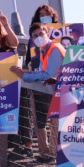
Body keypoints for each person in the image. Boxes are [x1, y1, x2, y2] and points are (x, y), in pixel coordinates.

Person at [11, 22, 65, 158]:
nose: (39, 37)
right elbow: (41, 72)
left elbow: (49, 74)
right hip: (48, 90)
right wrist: (24, 71)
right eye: (35, 36)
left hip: (59, 91)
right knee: (41, 123)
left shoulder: (55, 48)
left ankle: (52, 154)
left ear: (47, 34)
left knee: (54, 123)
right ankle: (45, 154)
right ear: (33, 40)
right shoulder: (43, 50)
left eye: (41, 33)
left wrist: (25, 76)